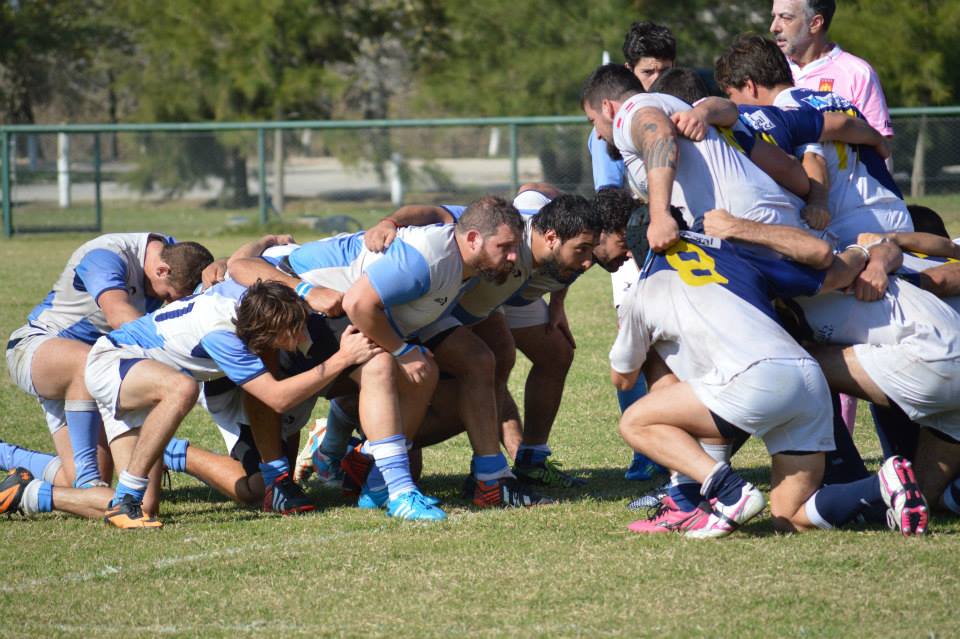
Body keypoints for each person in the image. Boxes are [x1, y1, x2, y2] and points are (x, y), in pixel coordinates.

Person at [612, 206, 924, 537]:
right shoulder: (736, 253)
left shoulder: (642, 291)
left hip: (755, 382)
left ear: (634, 251)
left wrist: (650, 349)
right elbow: (829, 275)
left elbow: (623, 377)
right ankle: (883, 484)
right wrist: (861, 252)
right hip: (808, 379)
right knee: (789, 516)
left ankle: (730, 493)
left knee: (635, 421)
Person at [230, 197, 527, 511]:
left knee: (445, 366)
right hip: (308, 300)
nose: (513, 256)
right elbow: (357, 303)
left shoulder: (469, 246)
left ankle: (378, 474)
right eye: (505, 247)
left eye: (516, 247)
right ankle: (393, 488)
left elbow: (431, 210)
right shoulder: (428, 259)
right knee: (383, 364)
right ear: (472, 239)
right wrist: (401, 350)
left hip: (371, 308)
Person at [4, 233, 213, 492]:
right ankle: (93, 477)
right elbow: (119, 316)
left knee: (72, 484)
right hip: (36, 348)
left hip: (94, 376)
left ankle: (5, 455)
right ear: (162, 270)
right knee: (85, 361)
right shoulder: (106, 255)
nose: (169, 304)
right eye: (170, 296)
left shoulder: (174, 252)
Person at [770, 0, 893, 137]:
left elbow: (880, 143)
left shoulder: (858, 74)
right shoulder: (766, 69)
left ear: (815, 23)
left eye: (786, 18)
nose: (774, 27)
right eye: (773, 17)